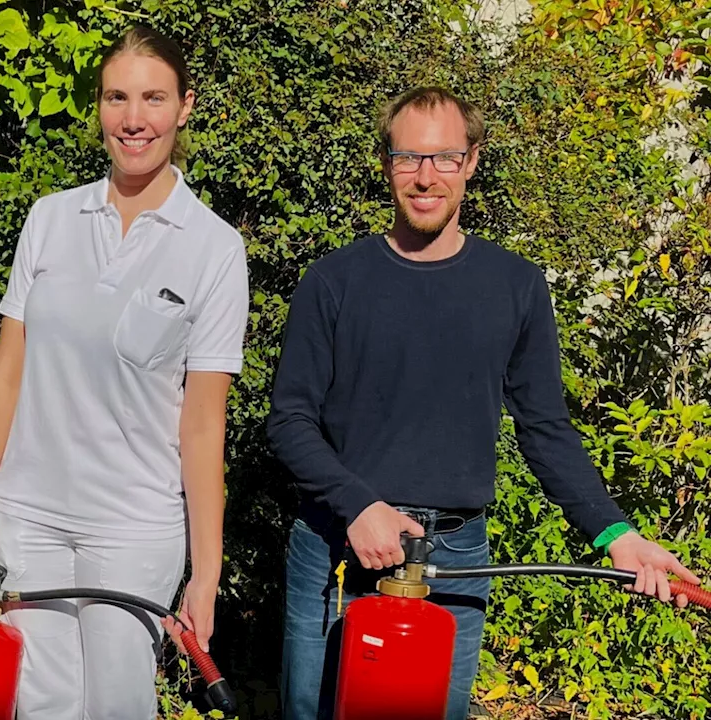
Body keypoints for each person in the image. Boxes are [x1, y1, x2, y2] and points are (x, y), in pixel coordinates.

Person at [267, 86, 701, 720]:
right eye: (408, 157)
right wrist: (358, 505)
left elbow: (546, 429)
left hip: (456, 558)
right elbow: (290, 421)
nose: (424, 176)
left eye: (444, 157)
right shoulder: (334, 281)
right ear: (386, 163)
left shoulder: (516, 287)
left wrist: (618, 534)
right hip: (338, 545)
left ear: (472, 161)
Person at [0, 26, 249, 720]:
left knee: (118, 706)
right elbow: (8, 380)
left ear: (185, 106)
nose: (133, 119)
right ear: (99, 107)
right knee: (37, 704)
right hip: (28, 517)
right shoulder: (50, 219)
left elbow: (203, 425)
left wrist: (207, 573)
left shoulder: (215, 249)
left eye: (152, 98)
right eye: (117, 97)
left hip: (135, 526)